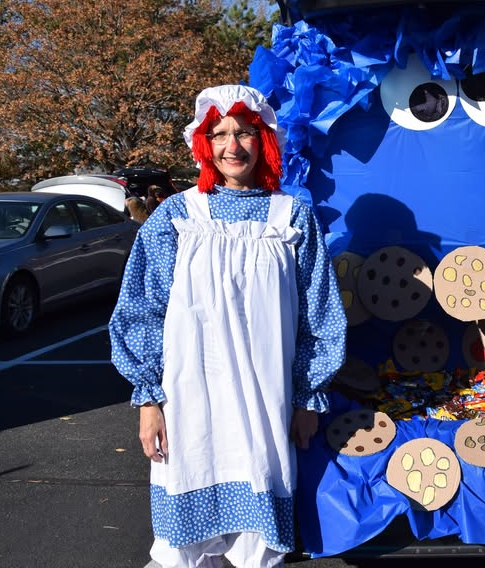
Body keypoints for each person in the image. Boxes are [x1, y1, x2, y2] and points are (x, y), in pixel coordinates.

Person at [110, 84, 347, 568]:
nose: (232, 146)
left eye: (244, 133)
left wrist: (307, 396)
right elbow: (141, 310)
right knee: (184, 550)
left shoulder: (291, 218)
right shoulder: (177, 217)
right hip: (189, 403)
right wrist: (148, 401)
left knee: (258, 544)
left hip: (266, 403)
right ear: (204, 143)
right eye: (219, 134)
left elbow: (319, 313)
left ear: (264, 141)